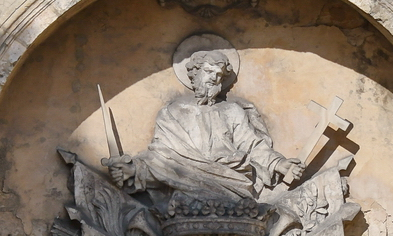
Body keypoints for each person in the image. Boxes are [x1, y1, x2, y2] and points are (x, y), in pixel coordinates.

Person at [104, 50, 304, 201]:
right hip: (187, 186)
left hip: (232, 182)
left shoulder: (232, 111)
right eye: (208, 72)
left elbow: (253, 147)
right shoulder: (172, 113)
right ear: (194, 74)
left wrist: (279, 164)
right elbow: (162, 157)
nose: (213, 79)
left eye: (218, 76)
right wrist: (133, 170)